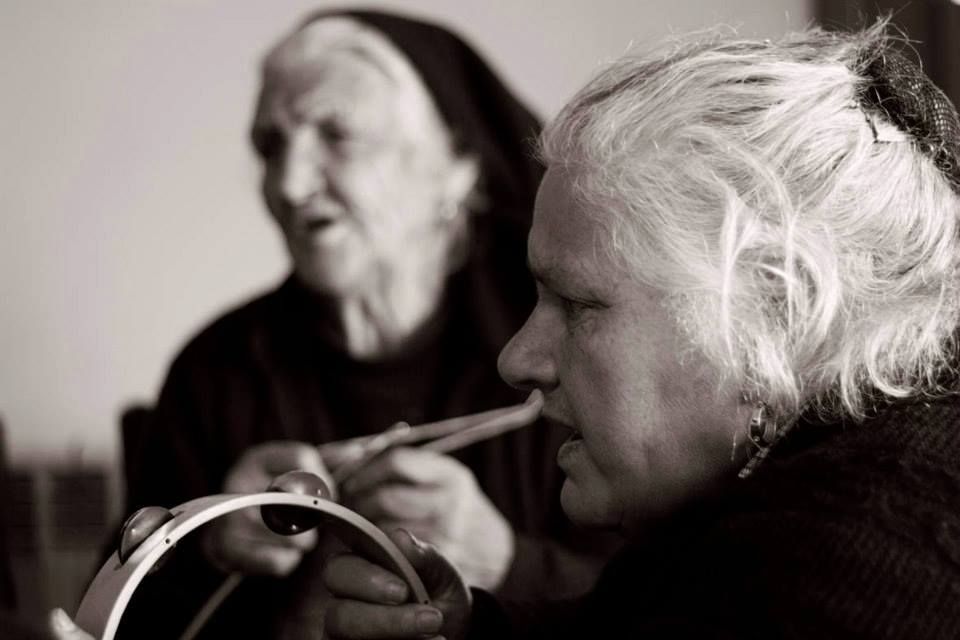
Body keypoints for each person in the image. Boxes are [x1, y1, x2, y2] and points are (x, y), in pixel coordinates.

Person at [319, 21, 960, 639]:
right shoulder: (754, 509)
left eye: (578, 304)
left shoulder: (860, 563)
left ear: (782, 310)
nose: (517, 360)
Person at [109, 9, 612, 640]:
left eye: (338, 134)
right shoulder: (216, 371)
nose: (289, 185)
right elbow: (113, 612)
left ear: (458, 164)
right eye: (270, 146)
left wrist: (512, 564)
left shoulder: (560, 357)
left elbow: (675, 600)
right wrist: (208, 546)